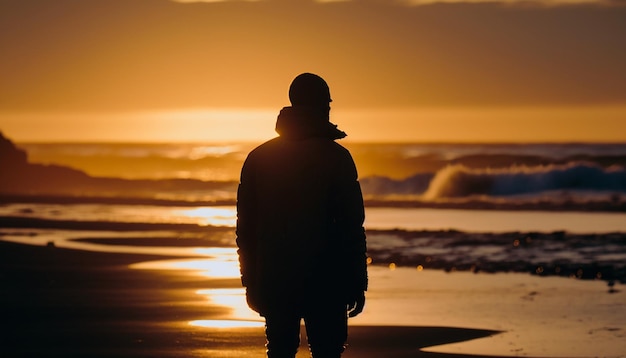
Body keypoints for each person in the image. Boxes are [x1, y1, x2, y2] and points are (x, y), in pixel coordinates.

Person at [236, 73, 368, 358]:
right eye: (327, 102)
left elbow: (246, 231)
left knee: (280, 351)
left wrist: (251, 281)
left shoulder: (258, 158)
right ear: (321, 105)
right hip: (327, 281)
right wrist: (357, 281)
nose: (330, 108)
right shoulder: (337, 157)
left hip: (276, 278)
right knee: (328, 352)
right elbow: (351, 228)